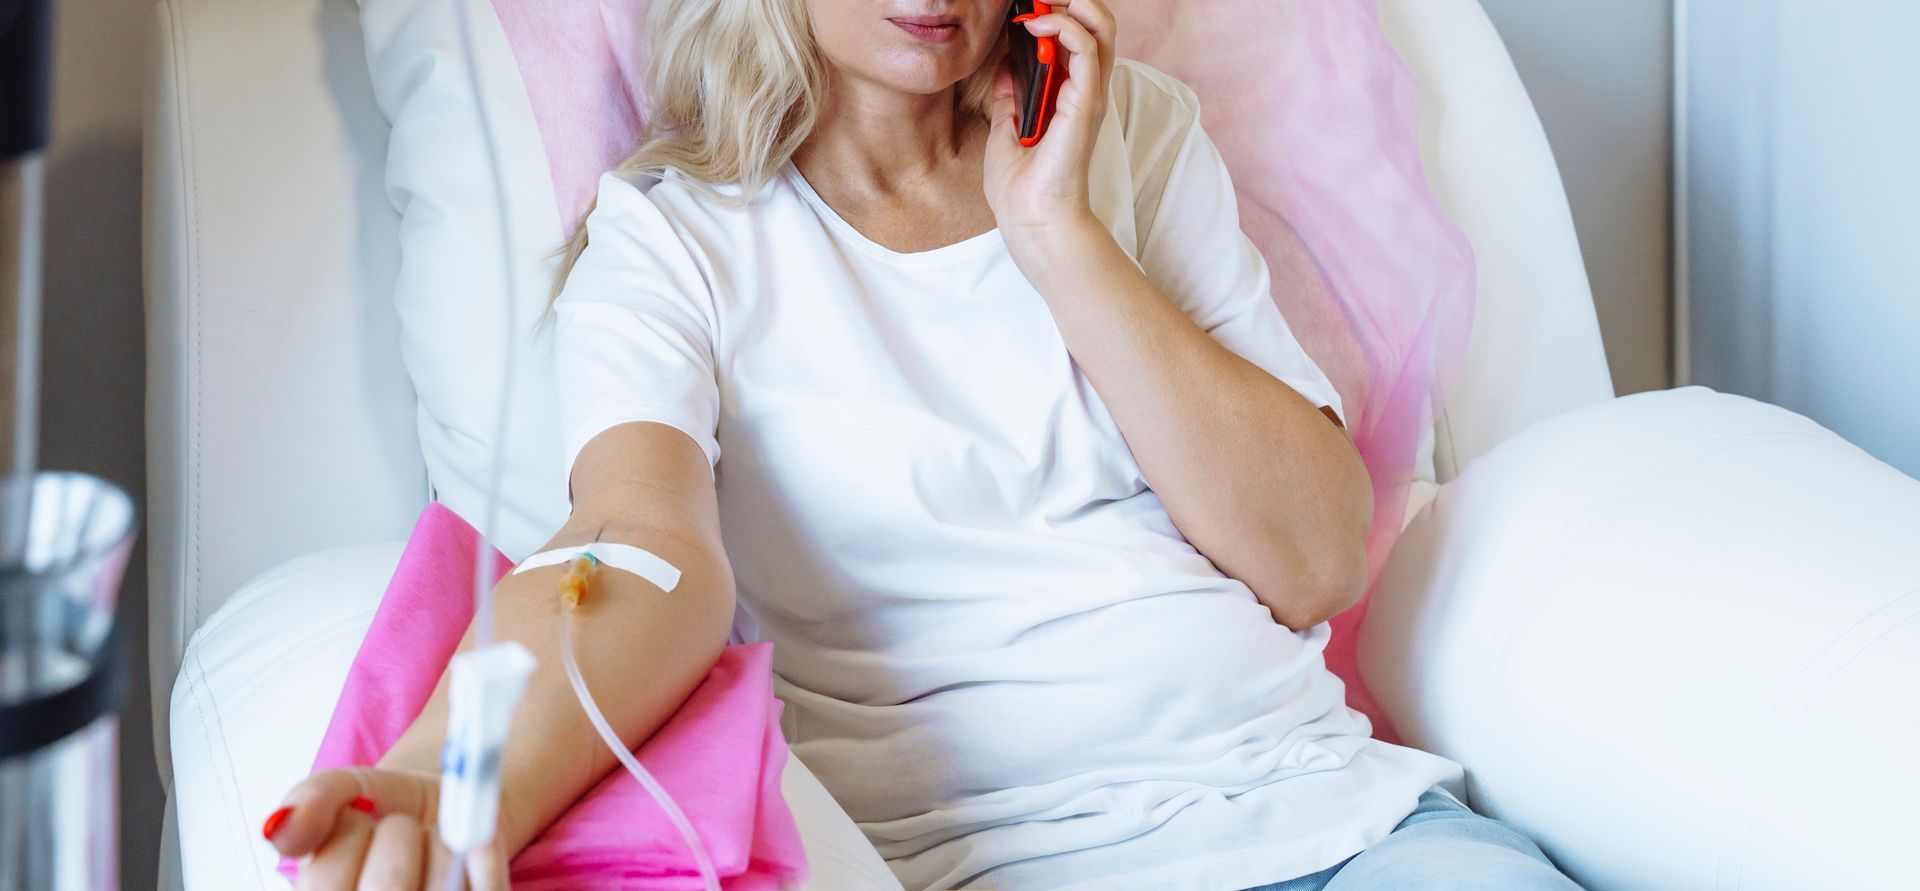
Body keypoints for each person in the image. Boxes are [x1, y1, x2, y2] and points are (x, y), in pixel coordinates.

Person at [265, 1, 1583, 888]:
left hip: (1339, 822)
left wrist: (1057, 232)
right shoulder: (673, 238)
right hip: (990, 861)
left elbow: (1312, 558)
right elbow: (631, 553)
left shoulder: (1126, 138)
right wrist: (450, 774)